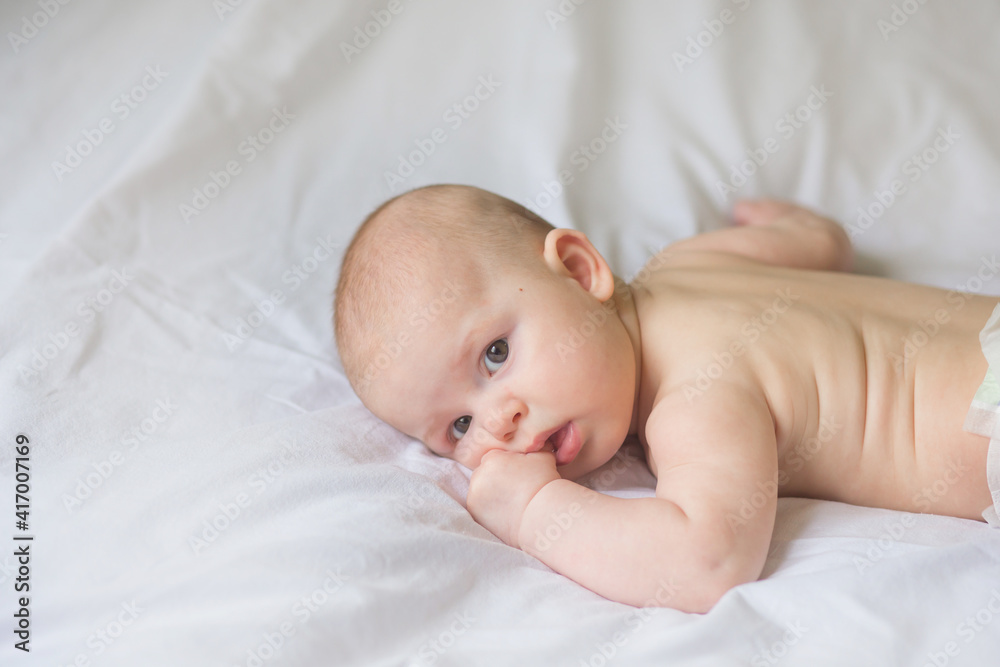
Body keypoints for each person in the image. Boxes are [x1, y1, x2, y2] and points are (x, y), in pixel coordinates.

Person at [333, 183, 1000, 613]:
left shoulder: (694, 395)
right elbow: (821, 244)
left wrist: (535, 509)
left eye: (495, 354)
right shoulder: (688, 262)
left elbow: (707, 558)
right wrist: (792, 222)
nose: (498, 422)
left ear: (577, 269)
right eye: (457, 426)